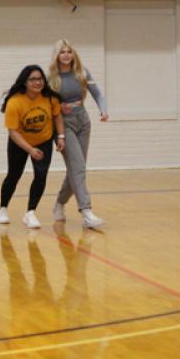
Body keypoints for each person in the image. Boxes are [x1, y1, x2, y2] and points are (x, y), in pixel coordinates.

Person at [48, 39, 108, 228]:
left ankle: (59, 203)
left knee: (76, 168)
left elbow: (97, 93)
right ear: (57, 56)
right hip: (63, 125)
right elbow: (46, 104)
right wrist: (59, 107)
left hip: (83, 121)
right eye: (62, 52)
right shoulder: (51, 78)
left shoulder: (82, 72)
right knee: (78, 167)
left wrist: (103, 109)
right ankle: (86, 211)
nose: (66, 55)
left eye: (69, 51)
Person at [0, 65, 65, 228]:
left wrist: (61, 137)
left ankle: (30, 212)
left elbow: (57, 116)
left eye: (40, 79)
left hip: (43, 140)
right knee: (14, 175)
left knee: (41, 176)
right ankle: (3, 208)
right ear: (25, 82)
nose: (37, 82)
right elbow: (13, 132)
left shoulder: (50, 98)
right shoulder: (15, 102)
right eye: (33, 79)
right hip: (20, 142)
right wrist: (30, 149)